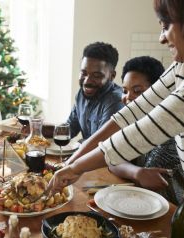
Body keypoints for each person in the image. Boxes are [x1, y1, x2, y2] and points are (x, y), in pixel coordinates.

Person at [47, 0, 184, 202]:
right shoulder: (180, 67)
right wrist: (71, 165)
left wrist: (75, 167)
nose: (162, 38)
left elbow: (140, 133)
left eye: (166, 27)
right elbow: (128, 116)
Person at [109, 56, 184, 205]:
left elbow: (147, 183)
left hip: (172, 214)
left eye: (137, 91)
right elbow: (112, 158)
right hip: (144, 203)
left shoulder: (168, 133)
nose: (128, 97)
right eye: (124, 90)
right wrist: (136, 172)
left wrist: (135, 173)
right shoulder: (133, 122)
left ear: (158, 93)